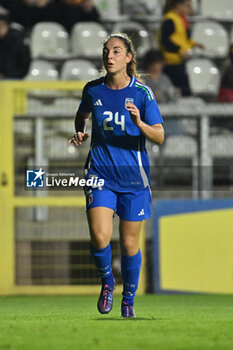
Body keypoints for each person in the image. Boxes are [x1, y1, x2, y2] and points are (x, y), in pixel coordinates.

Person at [68, 33, 164, 318]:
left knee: (129, 245)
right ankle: (108, 281)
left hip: (134, 180)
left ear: (128, 58)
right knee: (100, 237)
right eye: (106, 51)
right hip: (99, 174)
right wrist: (80, 131)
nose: (109, 56)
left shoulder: (142, 94)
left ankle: (129, 300)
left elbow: (158, 136)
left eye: (117, 51)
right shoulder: (93, 90)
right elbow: (81, 114)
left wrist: (139, 123)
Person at [160, 0, 204, 96]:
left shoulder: (180, 19)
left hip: (179, 61)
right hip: (171, 62)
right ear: (179, 6)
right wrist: (180, 51)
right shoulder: (170, 19)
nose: (190, 9)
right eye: (187, 6)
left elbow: (182, 38)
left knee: (185, 91)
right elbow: (165, 41)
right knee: (182, 92)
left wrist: (194, 43)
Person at [0, 12, 31, 79]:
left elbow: (24, 67)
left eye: (1, 26)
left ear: (7, 26)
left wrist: (6, 75)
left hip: (14, 80)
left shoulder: (18, 43)